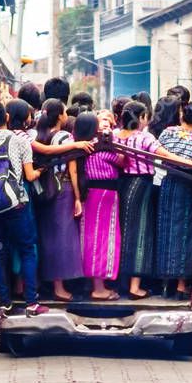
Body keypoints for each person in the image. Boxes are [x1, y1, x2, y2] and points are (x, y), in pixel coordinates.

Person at [116, 101, 192, 299]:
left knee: (123, 232)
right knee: (141, 234)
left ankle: (120, 283)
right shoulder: (144, 138)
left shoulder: (116, 136)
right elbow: (166, 156)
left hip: (123, 185)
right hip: (142, 185)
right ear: (141, 118)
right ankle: (135, 287)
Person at [0, 100, 48, 317]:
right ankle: (31, 303)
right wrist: (42, 170)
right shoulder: (19, 142)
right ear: (6, 118)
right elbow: (30, 175)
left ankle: (4, 304)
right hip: (17, 206)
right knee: (27, 250)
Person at [155, 102, 192, 298]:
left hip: (168, 185)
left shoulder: (166, 133)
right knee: (187, 235)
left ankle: (165, 283)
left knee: (166, 232)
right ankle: (181, 285)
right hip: (189, 188)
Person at [33, 99, 83, 300]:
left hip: (46, 189)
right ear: (60, 116)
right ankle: (59, 287)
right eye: (64, 112)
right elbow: (72, 169)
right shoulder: (65, 137)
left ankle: (51, 283)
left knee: (49, 237)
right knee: (63, 238)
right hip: (64, 189)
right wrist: (78, 198)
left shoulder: (41, 136)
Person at [73, 112, 124, 300]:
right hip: (105, 194)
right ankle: (99, 288)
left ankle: (93, 283)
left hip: (89, 195)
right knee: (103, 238)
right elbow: (122, 161)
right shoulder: (101, 148)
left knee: (90, 238)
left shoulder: (79, 145)